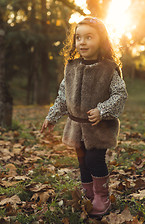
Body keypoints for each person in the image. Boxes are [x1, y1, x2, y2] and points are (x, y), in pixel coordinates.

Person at [41, 16, 128, 217]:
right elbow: (63, 95)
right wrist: (52, 116)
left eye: (89, 37)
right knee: (82, 161)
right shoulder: (71, 67)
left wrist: (102, 110)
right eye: (78, 38)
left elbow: (119, 94)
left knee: (94, 160)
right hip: (76, 126)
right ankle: (89, 193)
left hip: (98, 128)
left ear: (102, 40)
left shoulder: (108, 68)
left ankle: (102, 196)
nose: (82, 42)